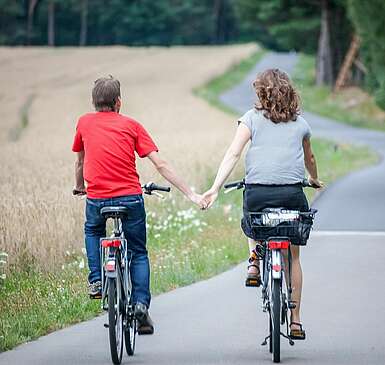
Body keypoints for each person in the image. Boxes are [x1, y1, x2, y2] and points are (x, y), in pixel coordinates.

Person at [72, 75, 205, 335]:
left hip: (97, 199)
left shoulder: (84, 123)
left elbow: (79, 162)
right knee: (138, 252)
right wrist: (191, 194)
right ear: (119, 102)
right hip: (130, 198)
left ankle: (97, 280)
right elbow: (160, 164)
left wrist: (80, 187)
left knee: (92, 231)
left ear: (93, 102)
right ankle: (141, 304)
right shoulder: (132, 126)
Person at [202, 68, 322, 340]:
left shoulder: (250, 119)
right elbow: (310, 159)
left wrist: (214, 187)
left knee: (251, 218)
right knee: (293, 257)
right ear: (290, 93)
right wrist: (313, 179)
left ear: (261, 93)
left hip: (259, 195)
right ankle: (296, 320)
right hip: (292, 195)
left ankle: (254, 261)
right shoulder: (301, 124)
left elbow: (234, 152)